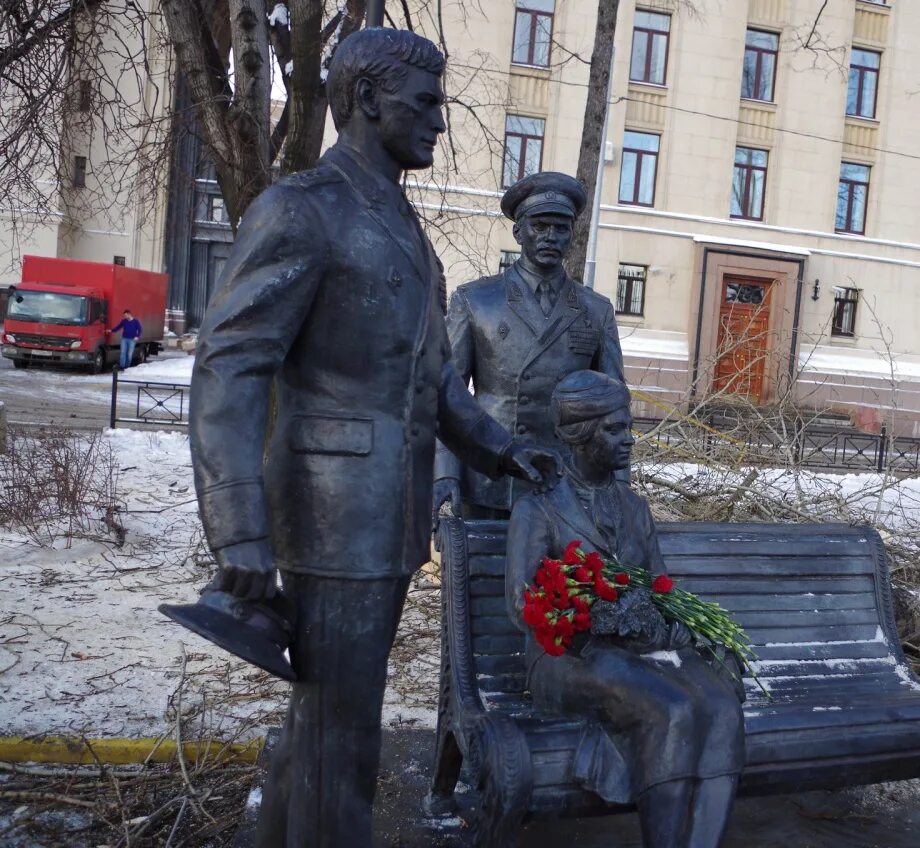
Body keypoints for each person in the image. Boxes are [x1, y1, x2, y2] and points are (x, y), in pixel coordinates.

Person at [187, 28, 560, 847]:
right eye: (423, 104)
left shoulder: (405, 229)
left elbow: (429, 386)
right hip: (329, 515)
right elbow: (230, 366)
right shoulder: (302, 208)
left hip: (386, 523)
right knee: (342, 734)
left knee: (325, 720)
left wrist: (501, 449)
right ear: (364, 99)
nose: (437, 122)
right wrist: (238, 528)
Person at [506, 371, 744, 848]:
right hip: (566, 659)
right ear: (581, 434)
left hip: (636, 653)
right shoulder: (540, 509)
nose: (629, 440)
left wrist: (672, 623)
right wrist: (596, 615)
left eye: (628, 427)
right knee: (672, 708)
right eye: (615, 429)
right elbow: (522, 601)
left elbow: (661, 587)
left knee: (721, 707)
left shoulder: (635, 508)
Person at [433, 172, 625, 520]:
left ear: (572, 234)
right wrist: (445, 473)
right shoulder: (477, 301)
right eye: (540, 226)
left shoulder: (595, 310)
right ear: (518, 231)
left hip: (568, 482)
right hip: (492, 476)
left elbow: (615, 409)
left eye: (561, 227)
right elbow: (445, 395)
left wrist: (620, 485)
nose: (550, 236)